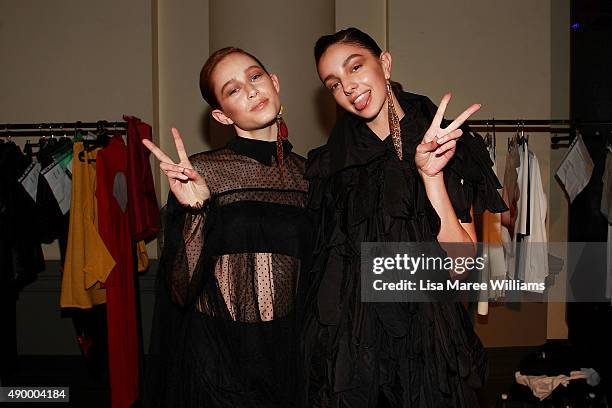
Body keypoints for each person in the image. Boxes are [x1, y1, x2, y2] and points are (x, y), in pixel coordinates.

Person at [302, 27, 508, 407]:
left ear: (384, 62)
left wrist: (431, 179)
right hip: (357, 351)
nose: (348, 87)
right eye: (333, 83)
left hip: (427, 342)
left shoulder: (440, 138)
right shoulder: (332, 165)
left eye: (355, 67)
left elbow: (462, 265)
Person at [142, 47, 312, 408]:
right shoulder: (201, 174)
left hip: (290, 360)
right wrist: (195, 210)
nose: (250, 90)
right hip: (216, 362)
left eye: (255, 77)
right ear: (220, 116)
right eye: (233, 90)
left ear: (274, 83)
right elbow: (179, 291)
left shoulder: (310, 174)